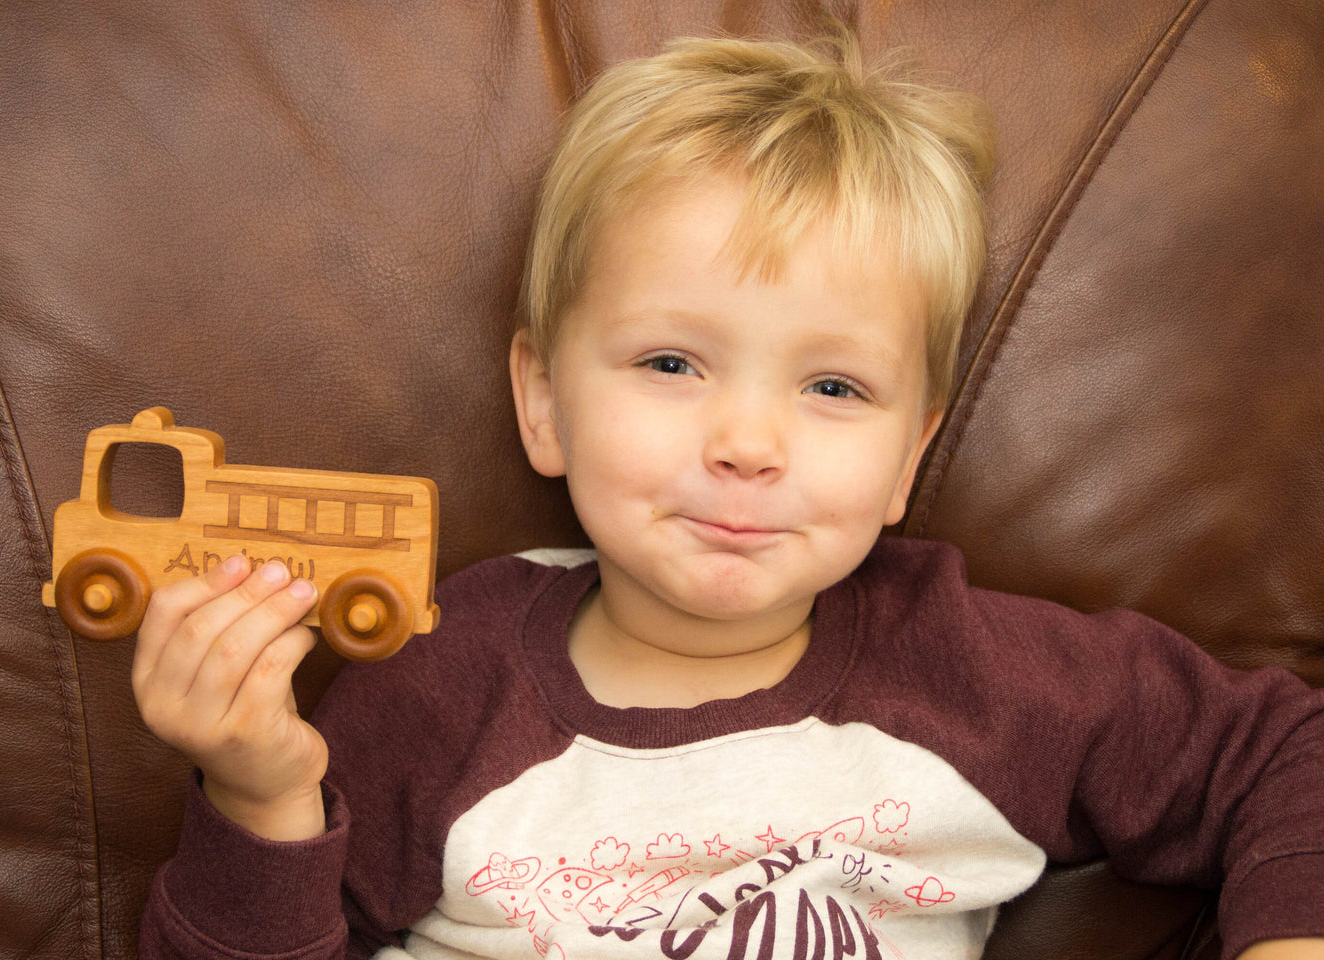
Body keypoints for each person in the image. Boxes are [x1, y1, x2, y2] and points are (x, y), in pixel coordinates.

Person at [133, 28, 1324, 960]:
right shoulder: (439, 689)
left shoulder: (983, 678)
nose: (748, 443)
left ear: (909, 456)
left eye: (832, 387)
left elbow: (1284, 753)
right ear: (543, 401)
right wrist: (260, 793)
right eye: (669, 364)